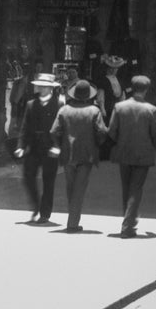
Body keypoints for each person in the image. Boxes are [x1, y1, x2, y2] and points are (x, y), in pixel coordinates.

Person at [48, 80, 107, 233]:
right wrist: (97, 144)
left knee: (71, 188)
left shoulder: (64, 110)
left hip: (67, 154)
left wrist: (60, 144)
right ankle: (72, 224)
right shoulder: (94, 111)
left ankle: (73, 219)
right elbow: (102, 132)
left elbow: (53, 131)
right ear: (88, 96)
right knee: (79, 189)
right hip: (87, 154)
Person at [108, 75, 156, 238]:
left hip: (123, 152)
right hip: (143, 154)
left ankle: (129, 220)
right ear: (146, 90)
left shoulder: (119, 107)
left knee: (127, 188)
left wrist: (121, 141)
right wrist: (153, 148)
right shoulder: (152, 110)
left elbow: (111, 131)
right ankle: (128, 225)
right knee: (136, 189)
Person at [16, 72, 65, 224]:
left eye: (45, 87)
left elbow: (64, 127)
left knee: (48, 181)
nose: (41, 89)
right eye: (40, 86)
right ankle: (36, 206)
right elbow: (25, 127)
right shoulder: (31, 104)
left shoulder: (59, 104)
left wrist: (59, 147)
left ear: (51, 88)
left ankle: (45, 213)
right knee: (28, 177)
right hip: (34, 147)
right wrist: (21, 146)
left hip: (51, 147)